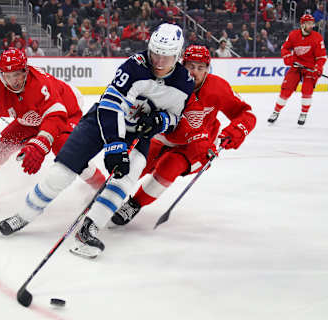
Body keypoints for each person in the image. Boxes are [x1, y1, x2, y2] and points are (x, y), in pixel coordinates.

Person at [0, 23, 195, 259]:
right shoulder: (135, 66)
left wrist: (160, 121)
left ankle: (89, 228)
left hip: (138, 134)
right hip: (101, 122)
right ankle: (25, 214)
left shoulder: (185, 82)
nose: (160, 62)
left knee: (126, 178)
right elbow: (110, 105)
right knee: (62, 171)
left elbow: (175, 117)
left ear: (178, 54)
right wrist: (115, 145)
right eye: (155, 54)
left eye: (167, 56)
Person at [110, 45, 256, 227]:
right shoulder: (166, 81)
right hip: (163, 135)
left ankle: (134, 204)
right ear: (182, 65)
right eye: (190, 67)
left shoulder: (218, 88)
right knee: (135, 166)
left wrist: (234, 132)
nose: (194, 73)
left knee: (168, 169)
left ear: (208, 69)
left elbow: (246, 114)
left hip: (195, 145)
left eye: (200, 68)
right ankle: (107, 198)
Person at [0, 49, 106, 203]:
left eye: (17, 74)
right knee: (0, 148)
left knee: (65, 148)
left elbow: (54, 116)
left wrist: (40, 143)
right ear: (1, 75)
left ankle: (100, 185)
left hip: (66, 110)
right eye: (8, 76)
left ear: (26, 70)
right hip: (32, 117)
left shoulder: (40, 84)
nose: (13, 80)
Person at [268, 14, 326, 126]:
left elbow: (321, 57)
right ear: (302, 24)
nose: (311, 26)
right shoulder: (293, 35)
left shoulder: (317, 37)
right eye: (309, 24)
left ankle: (304, 113)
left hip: (310, 68)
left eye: (312, 24)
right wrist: (288, 57)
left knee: (307, 90)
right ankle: (276, 111)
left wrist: (318, 67)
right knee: (286, 89)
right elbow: (284, 48)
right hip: (296, 66)